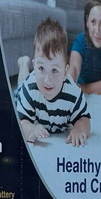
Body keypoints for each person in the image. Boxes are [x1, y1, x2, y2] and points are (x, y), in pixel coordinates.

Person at [14, 16, 91, 146]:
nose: (47, 79)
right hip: (22, 93)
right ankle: (23, 64)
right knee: (21, 84)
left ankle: (26, 64)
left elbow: (85, 119)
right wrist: (30, 129)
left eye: (54, 70)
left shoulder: (73, 93)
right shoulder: (29, 90)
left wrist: (79, 129)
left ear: (65, 72)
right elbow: (21, 122)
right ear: (35, 66)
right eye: (41, 68)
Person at [69, 0, 101, 93]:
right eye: (93, 22)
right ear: (87, 22)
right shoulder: (80, 41)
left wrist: (77, 89)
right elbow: (74, 68)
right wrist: (70, 82)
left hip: (81, 87)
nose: (97, 31)